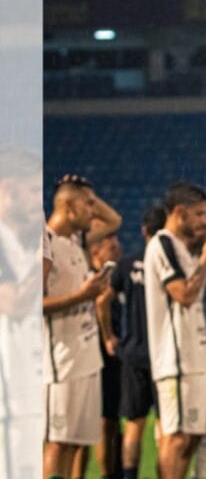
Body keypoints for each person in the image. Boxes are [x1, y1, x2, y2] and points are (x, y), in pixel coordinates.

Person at [144, 182, 206, 479]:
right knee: (176, 438)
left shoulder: (181, 248)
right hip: (174, 358)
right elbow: (182, 294)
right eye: (200, 214)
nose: (205, 221)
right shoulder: (163, 243)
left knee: (190, 437)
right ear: (179, 213)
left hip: (191, 357)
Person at [42, 175, 122, 479]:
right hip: (60, 361)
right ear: (69, 207)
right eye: (88, 204)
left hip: (86, 357)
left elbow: (114, 219)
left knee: (75, 444)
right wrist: (83, 295)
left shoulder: (75, 242)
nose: (94, 210)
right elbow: (34, 304)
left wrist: (85, 190)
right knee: (56, 444)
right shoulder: (45, 243)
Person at [112, 206, 166, 479]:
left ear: (144, 230)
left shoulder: (126, 264)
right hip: (163, 356)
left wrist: (109, 334)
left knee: (133, 425)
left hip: (132, 353)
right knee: (165, 430)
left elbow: (102, 299)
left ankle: (129, 476)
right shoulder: (167, 263)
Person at [0, 149, 44, 479]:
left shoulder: (20, 245)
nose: (37, 201)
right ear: (6, 189)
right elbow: (12, 303)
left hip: (24, 391)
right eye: (31, 190)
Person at [72, 225, 123, 479]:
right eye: (111, 245)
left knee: (110, 422)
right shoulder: (87, 279)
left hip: (110, 360)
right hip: (92, 356)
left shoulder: (112, 278)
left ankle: (109, 474)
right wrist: (107, 338)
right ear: (95, 251)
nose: (117, 247)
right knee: (93, 426)